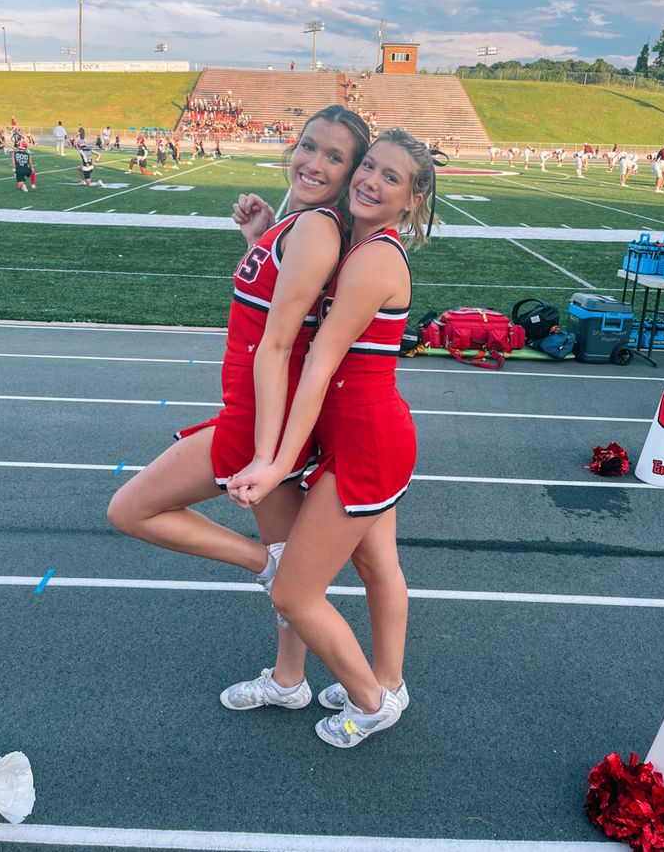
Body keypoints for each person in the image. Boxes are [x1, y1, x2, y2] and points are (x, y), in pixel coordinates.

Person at [107, 107, 371, 710]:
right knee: (285, 564)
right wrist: (261, 238)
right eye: (309, 146)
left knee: (132, 509)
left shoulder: (316, 229)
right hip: (258, 418)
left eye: (335, 157)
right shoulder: (302, 225)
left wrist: (264, 452)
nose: (314, 162)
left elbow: (281, 343)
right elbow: (289, 308)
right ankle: (288, 680)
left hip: (256, 422)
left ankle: (270, 574)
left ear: (353, 173)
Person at [227, 129, 433, 748]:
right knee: (377, 565)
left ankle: (373, 705)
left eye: (389, 178)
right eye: (368, 166)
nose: (369, 181)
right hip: (368, 434)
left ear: (413, 200)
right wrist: (267, 230)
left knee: (293, 591)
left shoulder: (374, 258)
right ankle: (389, 682)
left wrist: (273, 464)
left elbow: (317, 363)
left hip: (367, 443)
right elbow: (299, 290)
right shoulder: (362, 246)